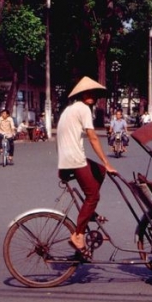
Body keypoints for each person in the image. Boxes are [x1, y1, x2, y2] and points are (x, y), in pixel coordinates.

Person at [57, 76, 117, 253]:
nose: (91, 96)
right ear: (81, 95)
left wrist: (103, 166)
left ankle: (88, 212)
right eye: (87, 93)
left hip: (67, 158)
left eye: (94, 93)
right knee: (93, 196)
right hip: (74, 159)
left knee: (98, 171)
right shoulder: (83, 109)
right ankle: (78, 234)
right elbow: (92, 137)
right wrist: (107, 162)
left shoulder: (70, 109)